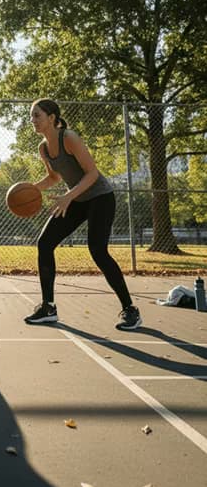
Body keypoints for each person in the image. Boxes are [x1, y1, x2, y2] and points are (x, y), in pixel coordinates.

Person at [24, 98, 142, 331]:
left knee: (98, 250)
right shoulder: (44, 148)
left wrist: (68, 196)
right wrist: (29, 190)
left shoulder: (69, 137)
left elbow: (92, 174)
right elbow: (54, 178)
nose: (33, 120)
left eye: (37, 115)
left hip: (100, 197)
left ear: (52, 117)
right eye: (31, 116)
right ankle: (48, 307)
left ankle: (130, 310)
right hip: (77, 198)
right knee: (45, 243)